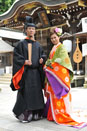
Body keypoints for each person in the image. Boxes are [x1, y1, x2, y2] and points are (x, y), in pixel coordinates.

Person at [44, 27, 87, 128]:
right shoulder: (53, 48)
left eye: (55, 37)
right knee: (53, 96)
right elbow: (52, 60)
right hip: (53, 75)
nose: (53, 40)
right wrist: (48, 64)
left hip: (58, 76)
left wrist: (49, 65)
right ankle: (53, 114)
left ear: (58, 37)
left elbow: (61, 61)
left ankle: (60, 114)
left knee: (59, 97)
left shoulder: (61, 47)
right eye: (52, 38)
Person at [10, 16, 45, 123]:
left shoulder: (38, 44)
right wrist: (24, 62)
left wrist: (42, 59)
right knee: (26, 94)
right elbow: (16, 57)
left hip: (36, 74)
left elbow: (43, 54)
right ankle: (26, 115)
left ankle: (36, 114)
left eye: (33, 29)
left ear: (35, 31)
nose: (31, 30)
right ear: (26, 30)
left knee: (37, 94)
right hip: (26, 74)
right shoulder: (21, 44)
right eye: (29, 29)